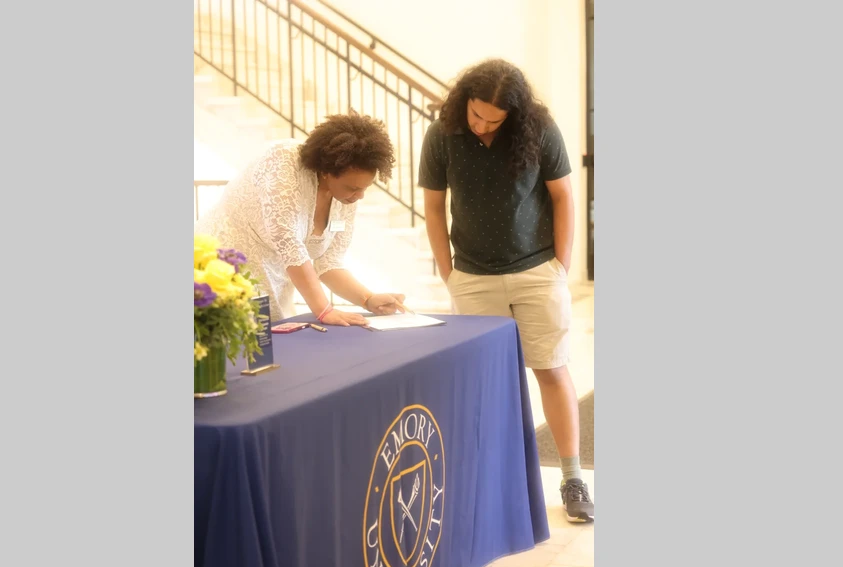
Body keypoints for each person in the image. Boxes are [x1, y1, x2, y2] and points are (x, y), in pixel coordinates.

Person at [418, 59, 593, 522]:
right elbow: (434, 207)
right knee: (481, 379)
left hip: (537, 270)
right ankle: (487, 480)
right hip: (472, 276)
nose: (482, 125)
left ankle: (572, 478)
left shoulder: (540, 129)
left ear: (514, 115)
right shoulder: (442, 134)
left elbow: (563, 196)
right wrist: (447, 271)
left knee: (551, 370)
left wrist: (561, 264)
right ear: (465, 103)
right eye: (477, 115)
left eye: (494, 120)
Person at [195, 113, 409, 326]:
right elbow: (289, 244)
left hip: (275, 279)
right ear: (326, 171)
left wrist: (368, 299)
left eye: (365, 188)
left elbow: (328, 264)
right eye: (353, 188)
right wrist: (325, 310)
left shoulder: (345, 199)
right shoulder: (283, 162)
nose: (359, 196)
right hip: (221, 269)